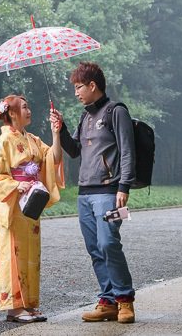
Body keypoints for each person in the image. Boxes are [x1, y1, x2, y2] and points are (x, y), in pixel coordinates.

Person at [49, 61, 137, 324]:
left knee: (108, 242)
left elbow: (128, 150)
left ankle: (125, 300)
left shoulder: (116, 111)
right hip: (85, 195)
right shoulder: (85, 116)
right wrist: (61, 128)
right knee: (94, 248)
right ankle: (108, 300)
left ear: (92, 85)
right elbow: (75, 151)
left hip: (110, 193)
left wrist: (124, 187)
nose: (76, 92)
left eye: (78, 87)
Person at [0, 94, 64, 323]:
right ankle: (14, 307)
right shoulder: (4, 141)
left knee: (31, 254)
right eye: (24, 107)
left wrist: (56, 132)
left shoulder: (33, 139)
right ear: (12, 113)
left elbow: (53, 158)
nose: (29, 111)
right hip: (14, 203)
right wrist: (17, 183)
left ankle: (28, 304)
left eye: (28, 106)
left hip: (31, 204)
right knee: (13, 254)